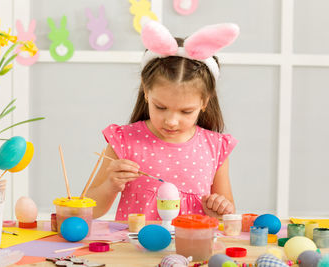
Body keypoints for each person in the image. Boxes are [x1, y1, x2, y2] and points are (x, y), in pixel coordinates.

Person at [87, 20, 240, 220]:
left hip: (192, 248)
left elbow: (227, 214)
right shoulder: (124, 141)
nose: (171, 121)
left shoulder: (215, 147)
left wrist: (219, 209)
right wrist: (110, 185)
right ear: (146, 92)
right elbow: (90, 209)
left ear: (205, 101)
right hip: (134, 250)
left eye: (186, 111)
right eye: (161, 107)